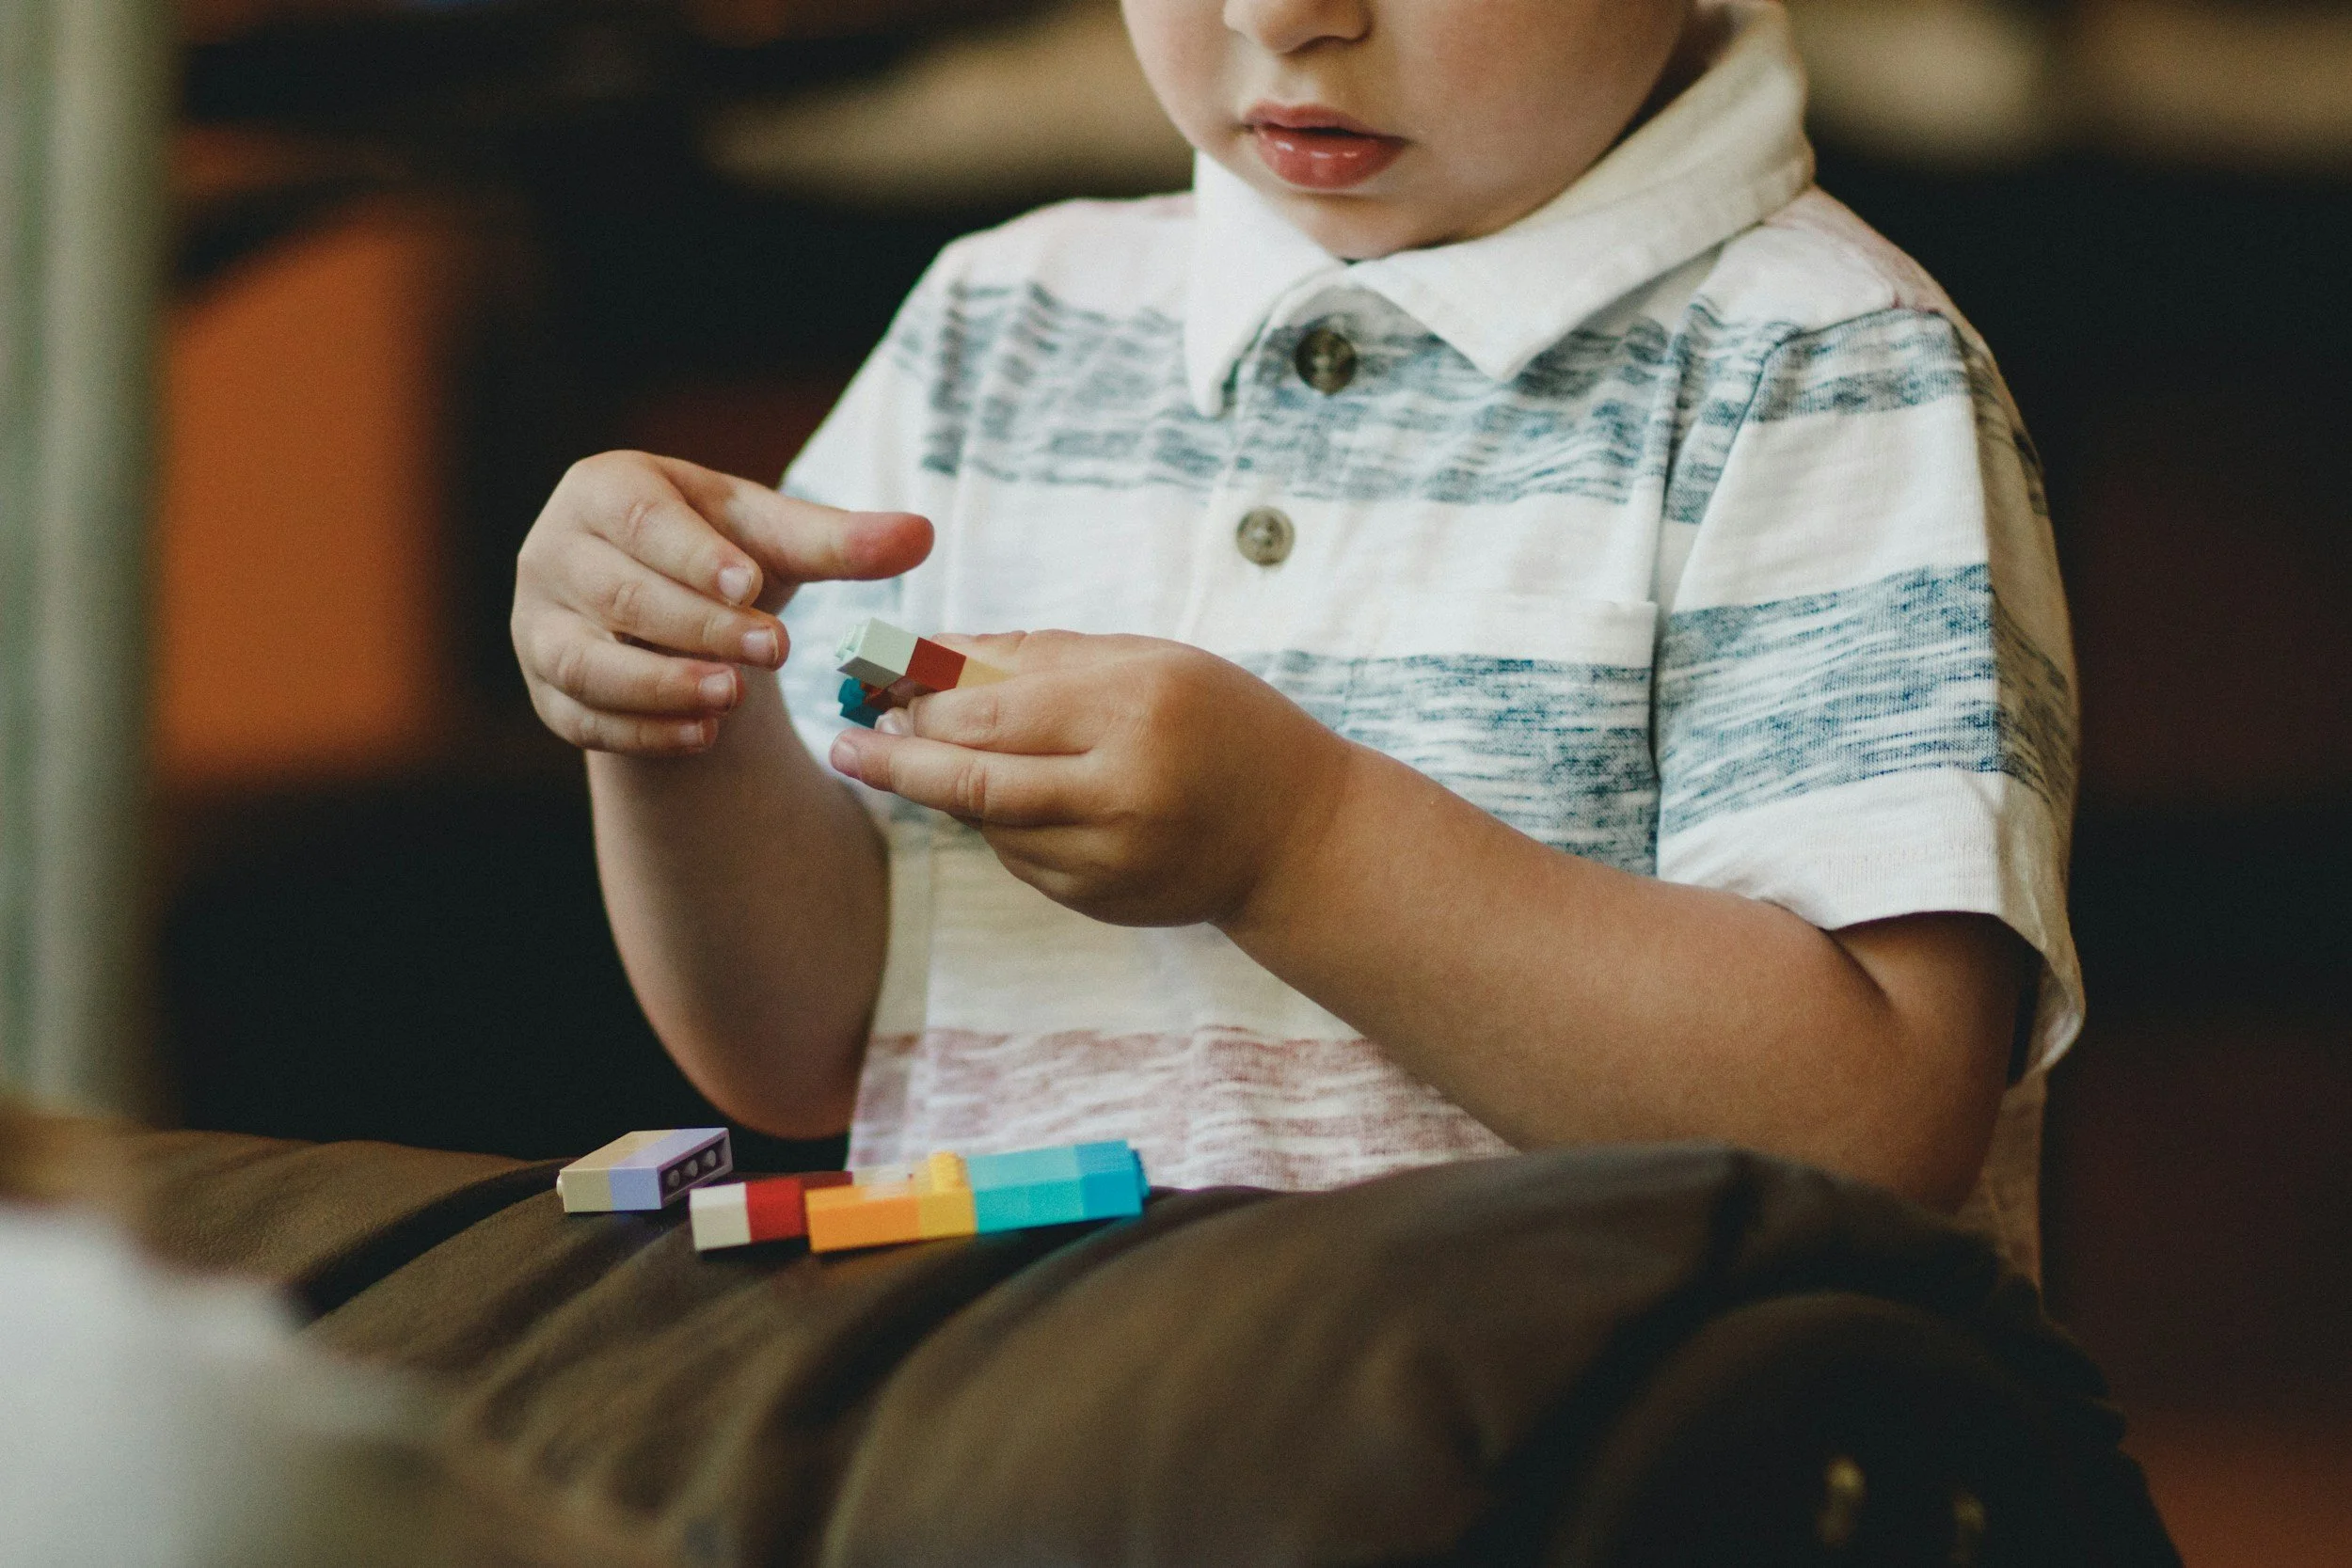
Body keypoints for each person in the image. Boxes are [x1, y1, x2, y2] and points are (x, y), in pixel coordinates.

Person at [509, 0, 2081, 1275]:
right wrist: (678, 714)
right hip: (1013, 1455)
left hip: (1600, 1480)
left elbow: (1876, 1122)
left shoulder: (1824, 368)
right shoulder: (1001, 322)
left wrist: (1301, 843)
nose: (1283, 17)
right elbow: (806, 1046)